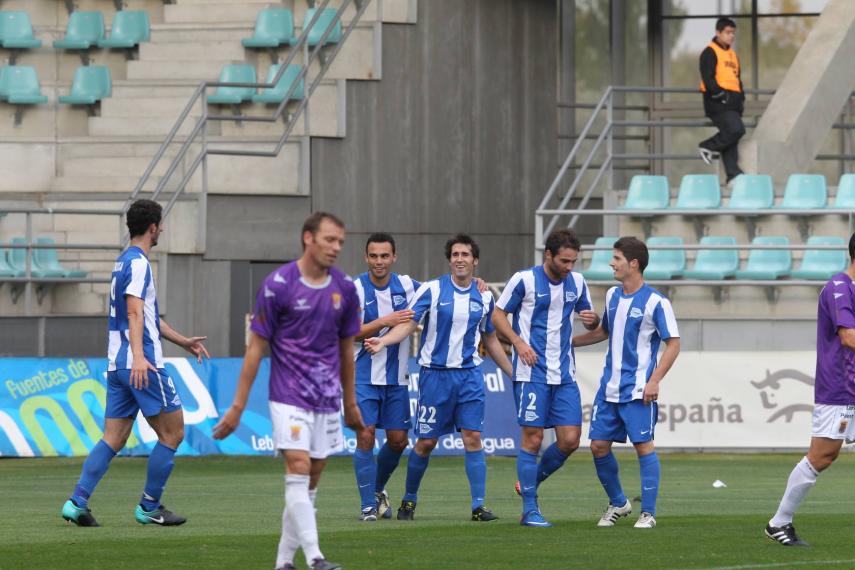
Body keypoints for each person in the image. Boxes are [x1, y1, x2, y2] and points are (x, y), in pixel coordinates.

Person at [213, 212, 364, 570]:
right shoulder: (277, 285)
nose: (336, 247)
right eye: (330, 239)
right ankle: (315, 557)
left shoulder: (344, 288)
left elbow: (347, 350)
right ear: (308, 238)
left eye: (341, 241)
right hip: (288, 394)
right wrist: (237, 406)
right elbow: (255, 348)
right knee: (297, 466)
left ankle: (283, 562)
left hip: (327, 399)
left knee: (310, 479)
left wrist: (350, 402)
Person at [61, 199, 210, 528]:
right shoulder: (139, 263)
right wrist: (141, 357)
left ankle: (77, 502)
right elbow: (133, 312)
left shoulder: (122, 263)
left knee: (113, 438)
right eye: (161, 224)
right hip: (141, 363)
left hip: (117, 365)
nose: (163, 230)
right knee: (173, 434)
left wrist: (182, 340)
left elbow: (148, 316)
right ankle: (149, 506)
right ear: (153, 227)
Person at [365, 233, 513, 522]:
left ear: (475, 261)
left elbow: (490, 338)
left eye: (465, 255)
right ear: (449, 260)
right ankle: (409, 500)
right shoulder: (432, 290)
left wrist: (513, 373)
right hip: (435, 378)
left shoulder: (484, 296)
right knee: (426, 443)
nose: (460, 259)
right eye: (455, 254)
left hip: (470, 376)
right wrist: (384, 342)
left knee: (473, 438)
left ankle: (478, 506)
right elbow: (408, 325)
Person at [492, 229, 599, 527]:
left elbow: (588, 315)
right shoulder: (524, 279)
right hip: (531, 373)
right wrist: (518, 342)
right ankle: (530, 509)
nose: (569, 267)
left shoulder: (576, 282)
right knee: (533, 438)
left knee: (570, 440)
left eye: (573, 262)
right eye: (564, 261)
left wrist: (593, 319)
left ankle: (528, 484)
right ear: (548, 255)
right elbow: (498, 315)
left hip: (564, 373)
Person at [573, 237, 680, 529]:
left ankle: (649, 513)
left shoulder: (657, 301)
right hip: (609, 388)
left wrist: (655, 380)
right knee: (597, 446)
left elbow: (673, 344)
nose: (611, 263)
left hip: (638, 391)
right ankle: (619, 502)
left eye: (617, 258)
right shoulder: (612, 295)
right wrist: (567, 344)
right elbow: (603, 332)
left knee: (643, 446)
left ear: (633, 264)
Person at [765, 233, 855, 547]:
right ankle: (779, 522)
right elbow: (849, 338)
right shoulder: (840, 288)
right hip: (841, 387)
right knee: (823, 455)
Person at [351, 233, 419, 521]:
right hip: (364, 376)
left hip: (397, 378)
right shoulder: (354, 288)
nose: (379, 261)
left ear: (394, 257)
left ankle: (377, 490)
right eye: (374, 256)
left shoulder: (407, 285)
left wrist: (476, 282)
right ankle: (367, 506)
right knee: (365, 436)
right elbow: (349, 332)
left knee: (398, 441)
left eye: (384, 256)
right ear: (366, 257)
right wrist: (383, 322)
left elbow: (440, 292)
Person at [698, 16, 745, 184]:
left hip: (733, 103)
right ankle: (708, 146)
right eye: (728, 32)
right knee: (736, 130)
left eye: (733, 33)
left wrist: (740, 99)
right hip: (717, 103)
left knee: (731, 135)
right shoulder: (709, 52)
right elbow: (708, 78)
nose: (731, 36)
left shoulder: (733, 55)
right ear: (718, 32)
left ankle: (733, 175)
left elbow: (737, 79)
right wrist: (721, 96)